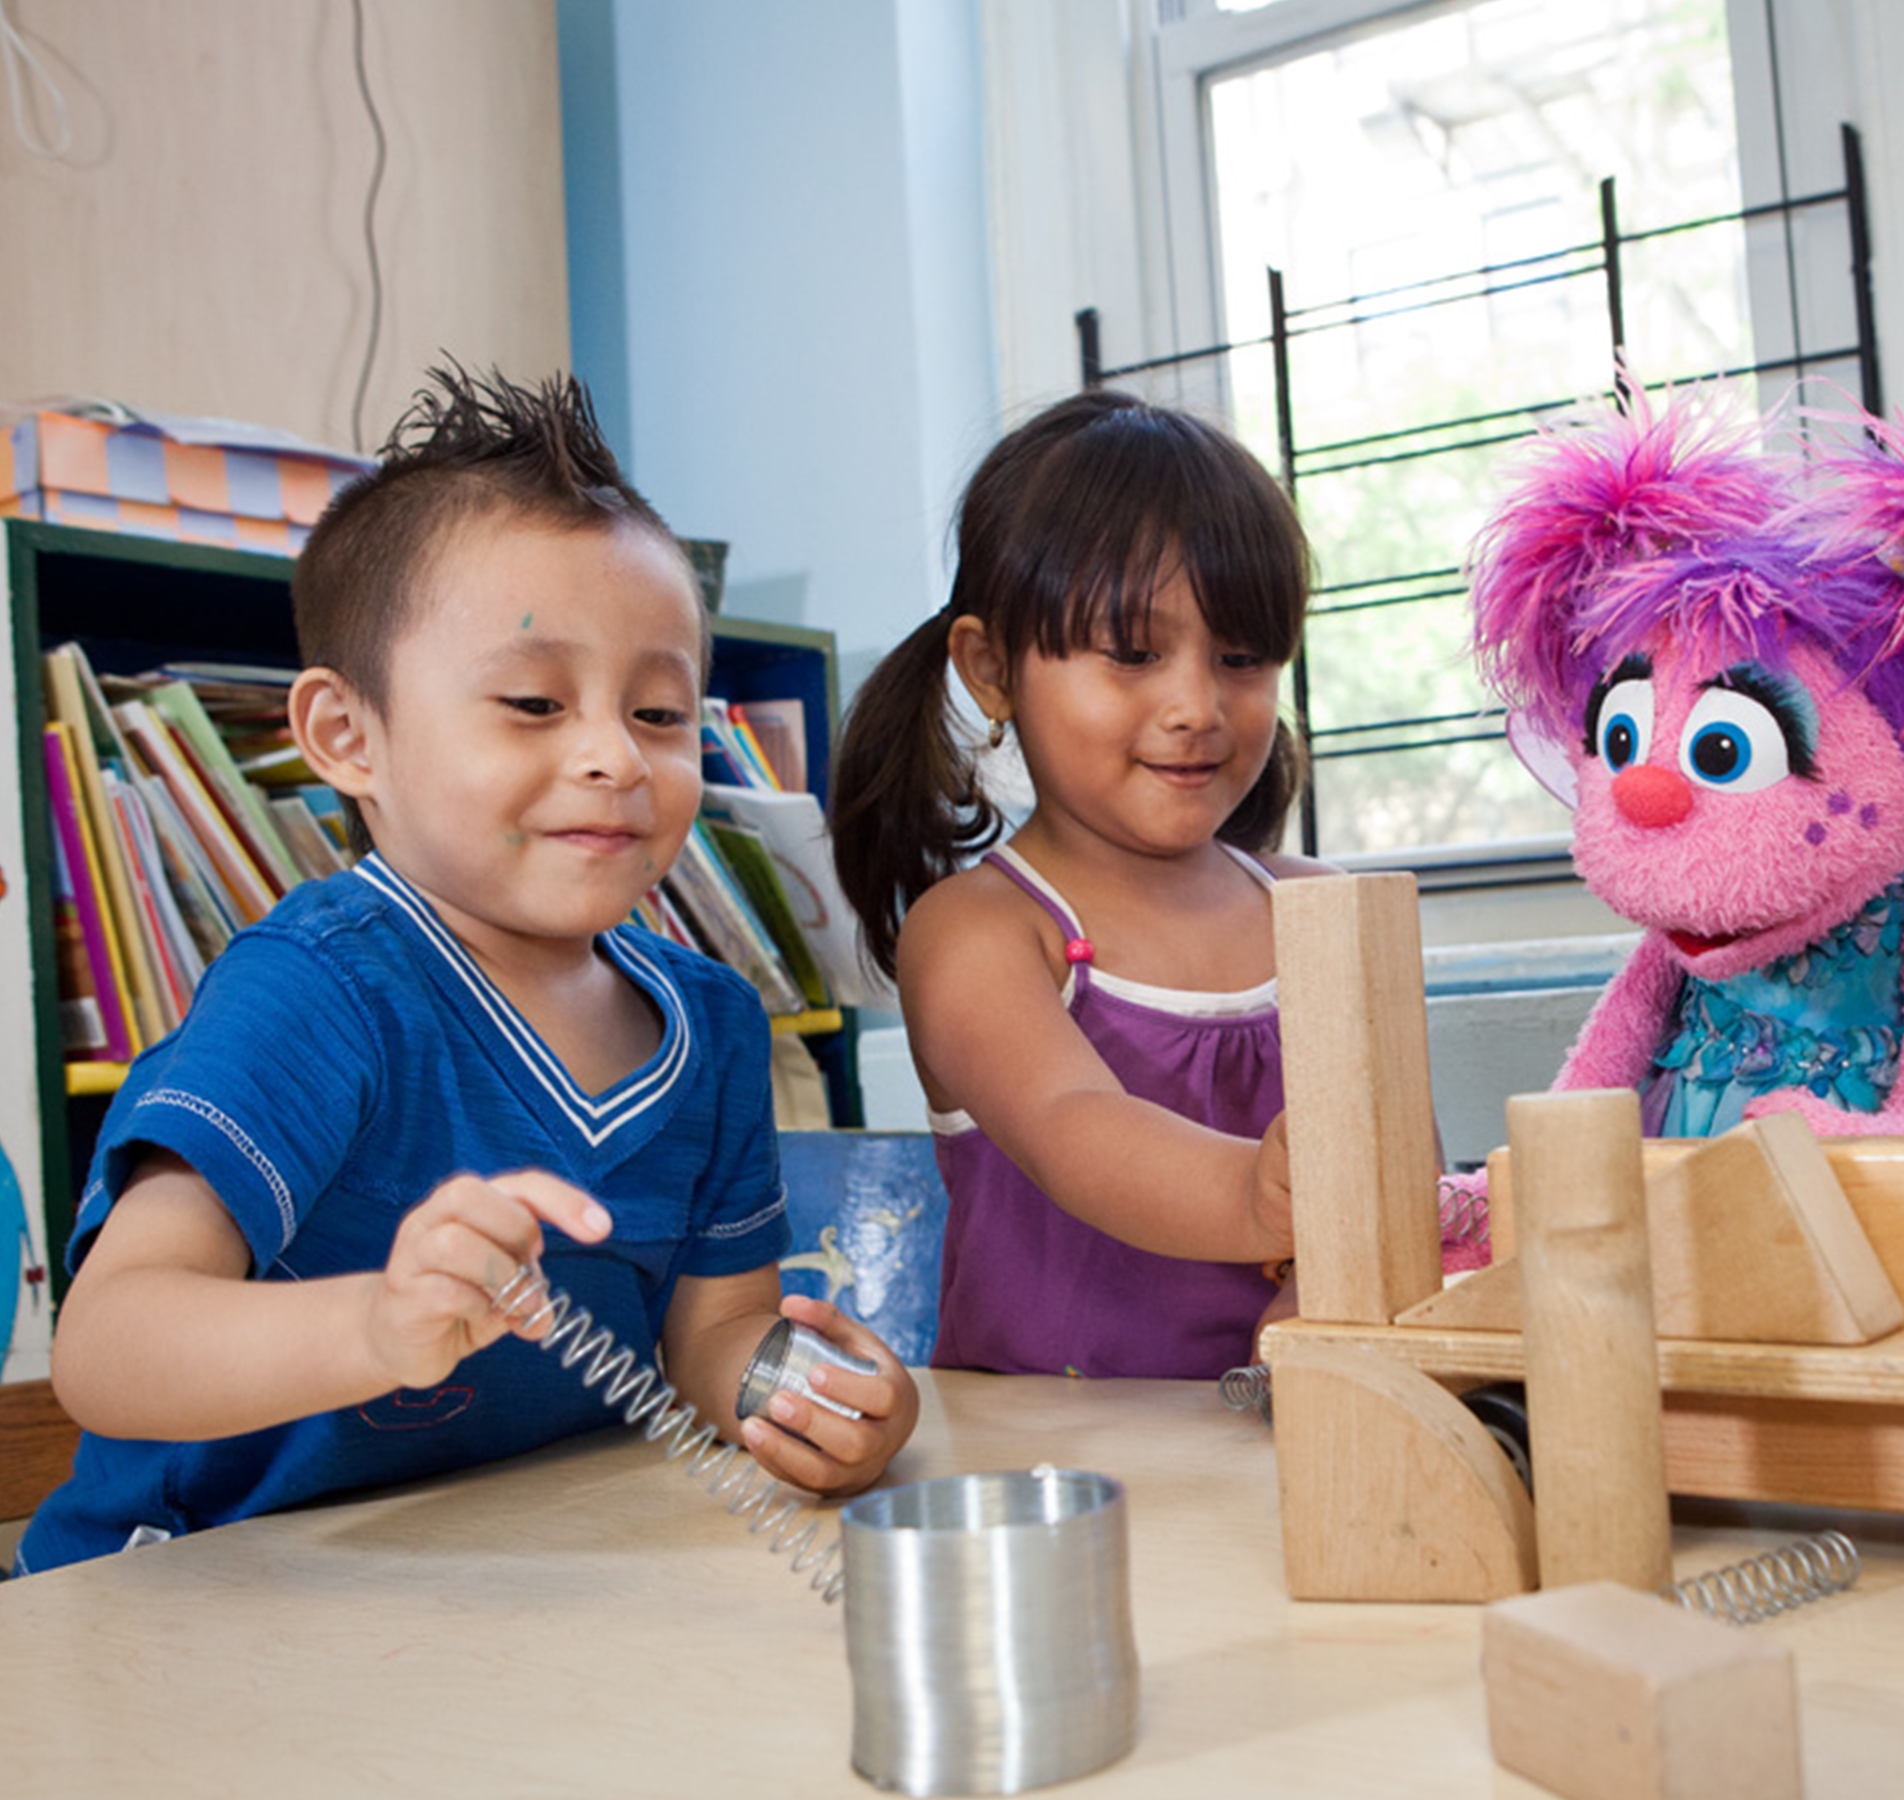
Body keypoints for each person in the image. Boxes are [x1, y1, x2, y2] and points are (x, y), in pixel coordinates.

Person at [17, 367, 917, 1576]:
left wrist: (802, 1396)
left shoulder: (712, 1022)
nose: (612, 755)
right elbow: (107, 1349)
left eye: (659, 714)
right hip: (195, 1589)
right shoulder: (320, 990)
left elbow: (717, 1330)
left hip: (499, 1575)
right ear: (349, 737)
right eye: (535, 702)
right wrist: (375, 1324)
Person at [832, 389, 1323, 1380]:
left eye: (1241, 657)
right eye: (1133, 654)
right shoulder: (978, 933)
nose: (1196, 705)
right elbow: (1075, 1131)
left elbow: (1394, 1170)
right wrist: (1270, 1199)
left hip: (1295, 1448)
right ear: (990, 668)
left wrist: (1332, 1284)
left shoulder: (1317, 911)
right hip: (1046, 1471)